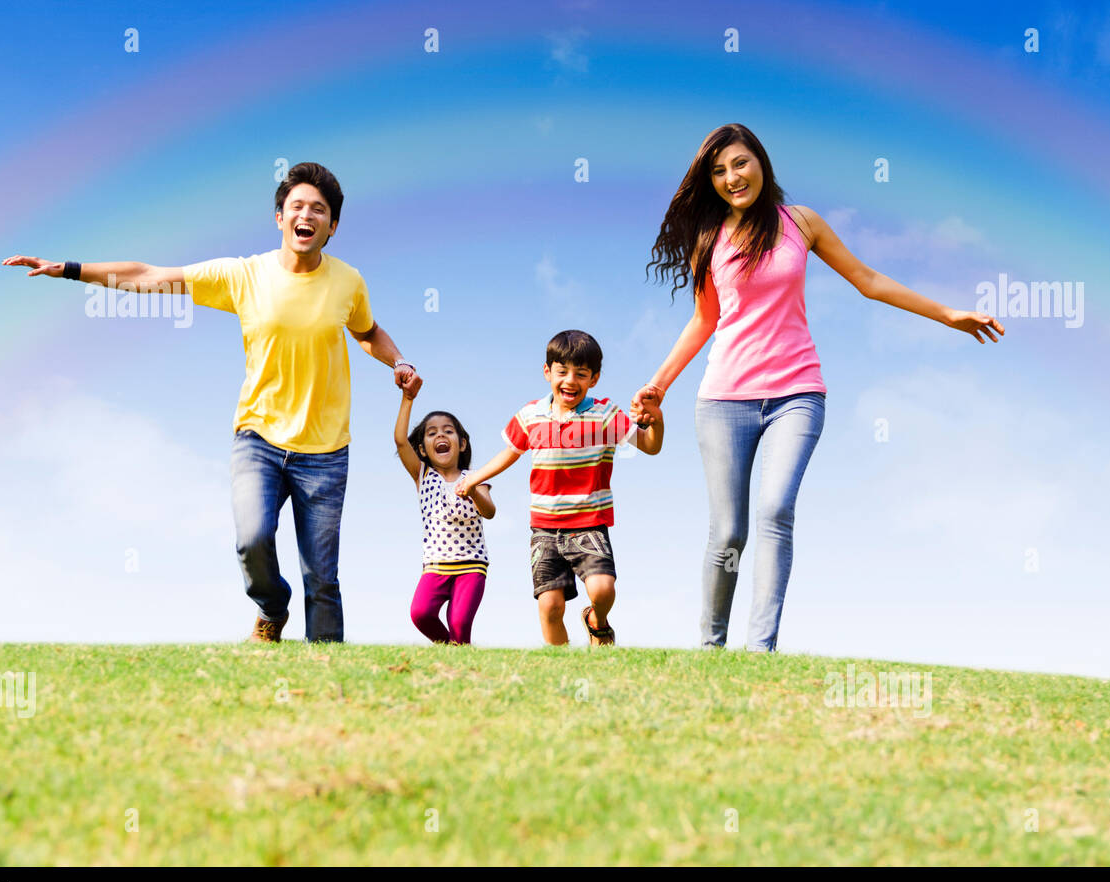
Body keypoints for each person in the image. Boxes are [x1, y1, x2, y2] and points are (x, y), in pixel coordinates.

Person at [2, 162, 422, 644]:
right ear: (280, 217)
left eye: (319, 210)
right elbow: (151, 275)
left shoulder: (348, 282)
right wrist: (70, 270)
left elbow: (367, 332)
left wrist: (397, 361)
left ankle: (327, 676)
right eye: (297, 206)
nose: (306, 215)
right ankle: (272, 609)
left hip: (326, 451)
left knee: (322, 578)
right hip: (259, 438)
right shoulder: (244, 274)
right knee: (251, 540)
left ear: (333, 226)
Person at [632, 123, 1004, 652]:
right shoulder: (709, 240)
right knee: (729, 531)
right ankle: (711, 648)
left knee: (775, 511)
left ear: (760, 162)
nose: (732, 177)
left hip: (797, 393)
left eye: (740, 163)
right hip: (723, 400)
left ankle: (760, 649)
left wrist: (948, 314)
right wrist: (658, 384)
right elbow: (704, 320)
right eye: (718, 171)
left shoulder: (800, 223)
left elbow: (868, 280)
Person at [456, 330, 664, 646]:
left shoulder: (605, 414)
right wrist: (474, 478)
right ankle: (560, 663)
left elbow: (650, 446)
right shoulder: (530, 415)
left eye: (581, 374)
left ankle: (597, 621)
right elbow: (509, 453)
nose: (570, 380)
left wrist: (656, 421)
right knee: (550, 606)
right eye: (562, 371)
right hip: (545, 528)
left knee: (603, 590)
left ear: (594, 379)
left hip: (589, 523)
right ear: (547, 372)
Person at [395, 392, 493, 645]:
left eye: (448, 431)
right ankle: (454, 650)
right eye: (432, 433)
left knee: (459, 623)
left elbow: (490, 511)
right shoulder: (423, 475)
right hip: (435, 566)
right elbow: (400, 442)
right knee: (421, 613)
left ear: (462, 444)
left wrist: (473, 491)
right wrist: (407, 399)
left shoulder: (475, 478)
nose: (440, 435)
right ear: (422, 449)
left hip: (471, 565)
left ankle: (459, 653)